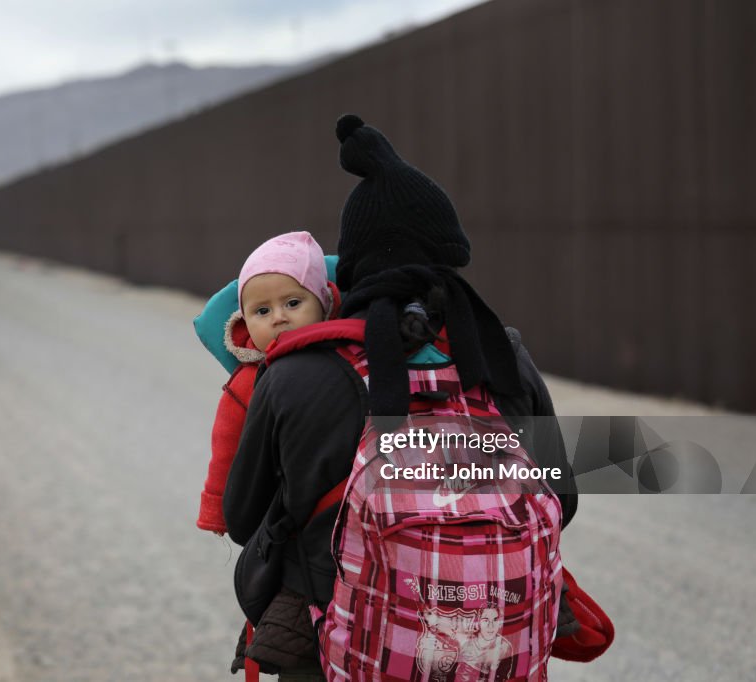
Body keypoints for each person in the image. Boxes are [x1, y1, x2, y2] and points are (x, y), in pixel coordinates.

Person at [223, 115, 578, 680]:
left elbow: (241, 518)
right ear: (448, 251)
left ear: (353, 263)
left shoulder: (293, 373)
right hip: (493, 652)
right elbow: (565, 497)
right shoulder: (502, 354)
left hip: (337, 647)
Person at [195, 231, 338, 534]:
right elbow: (226, 448)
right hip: (279, 509)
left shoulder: (346, 357)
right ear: (244, 320)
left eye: (293, 303)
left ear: (324, 302)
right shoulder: (246, 383)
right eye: (262, 311)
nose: (278, 318)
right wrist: (217, 509)